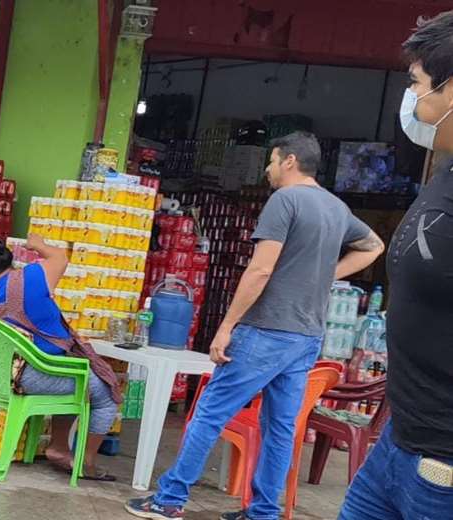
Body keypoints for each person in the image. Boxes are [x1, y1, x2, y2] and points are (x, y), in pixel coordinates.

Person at [125, 132, 383, 520]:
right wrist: (328, 274)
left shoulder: (286, 200)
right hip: (307, 336)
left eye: (272, 160)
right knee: (280, 428)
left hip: (265, 328)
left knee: (210, 412)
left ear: (290, 161)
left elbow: (261, 269)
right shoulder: (335, 207)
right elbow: (373, 245)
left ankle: (170, 499)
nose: (267, 169)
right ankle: (262, 512)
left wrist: (227, 325)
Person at [338, 13, 453, 518]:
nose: (414, 102)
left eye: (418, 85)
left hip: (442, 467)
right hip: (398, 443)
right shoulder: (447, 168)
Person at [0, 234, 123, 481]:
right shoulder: (33, 277)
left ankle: (59, 448)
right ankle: (87, 463)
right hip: (40, 374)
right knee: (106, 393)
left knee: (77, 376)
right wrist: (37, 244)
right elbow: (60, 257)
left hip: (5, 377)